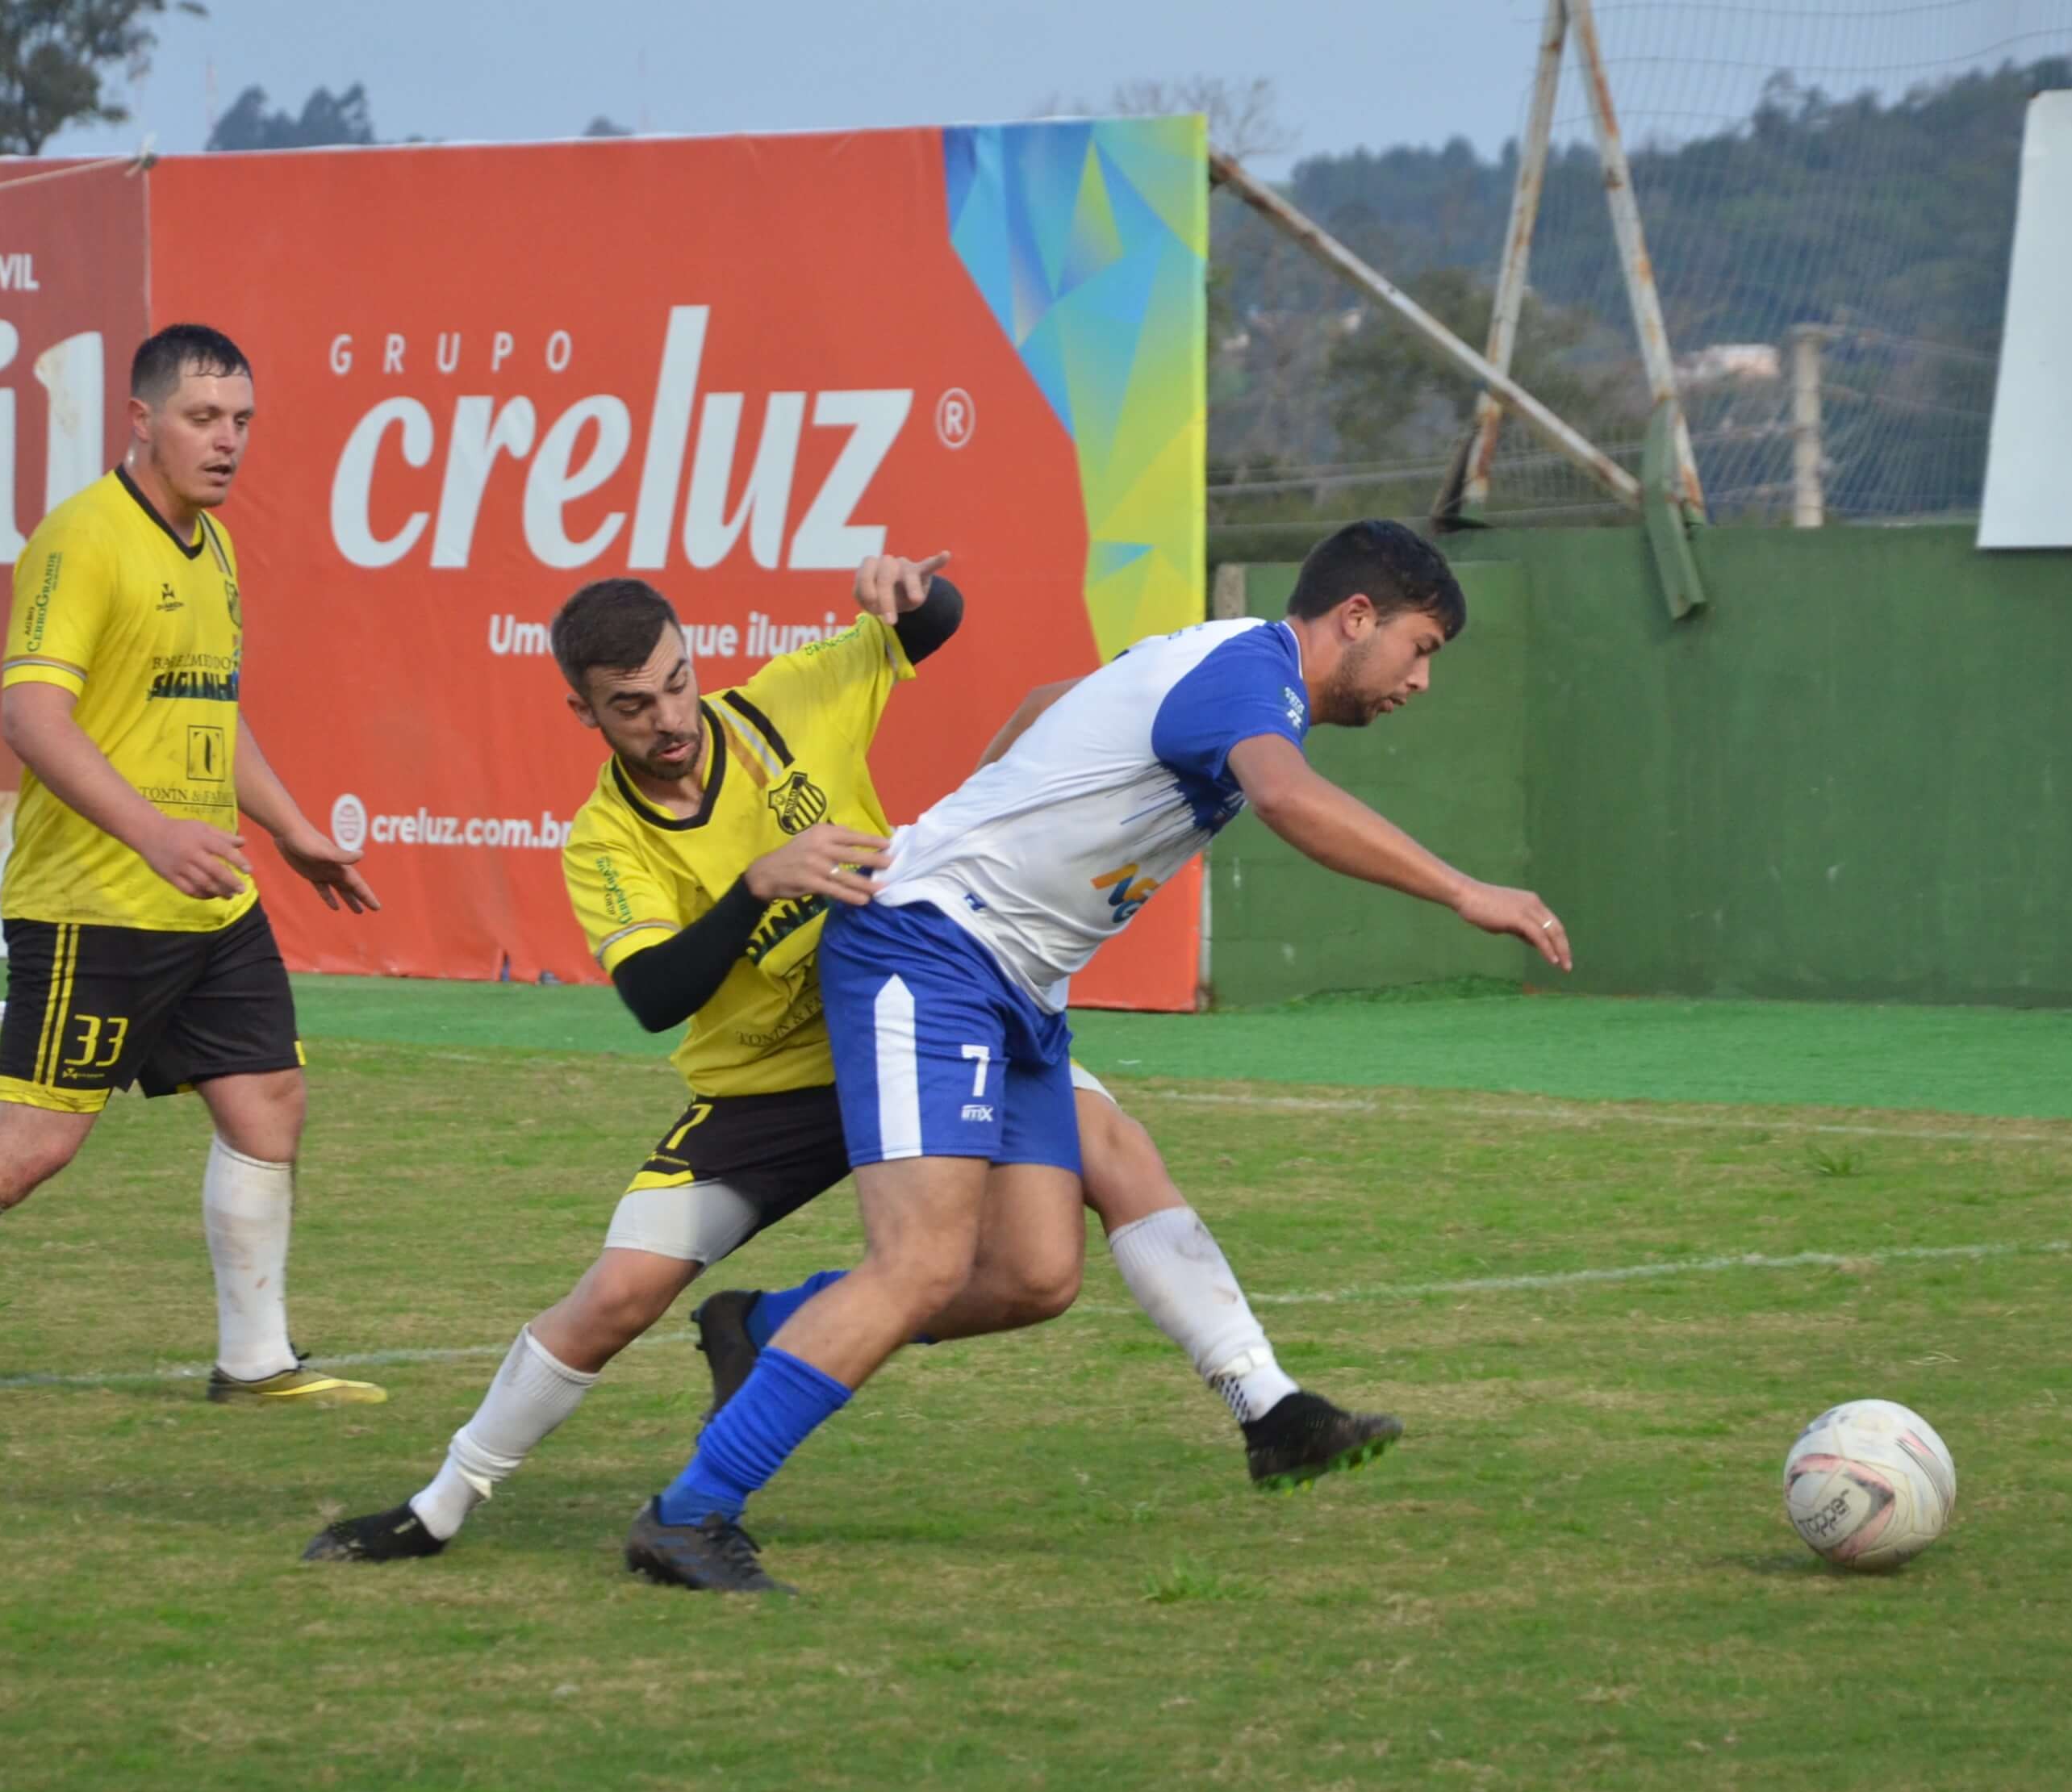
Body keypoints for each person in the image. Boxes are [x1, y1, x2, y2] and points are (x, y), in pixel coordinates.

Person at [303, 557, 1397, 1565]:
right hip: (774, 1090)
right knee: (620, 1294)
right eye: (630, 706)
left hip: (925, 1008)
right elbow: (652, 995)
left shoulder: (784, 702)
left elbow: (933, 622)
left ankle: (1267, 1406)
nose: (667, 720)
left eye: (677, 685)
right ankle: (441, 1506)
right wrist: (756, 884)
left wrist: (913, 588)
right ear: (583, 711)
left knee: (1046, 1256)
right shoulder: (605, 838)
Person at [625, 519, 1570, 1593]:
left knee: (1034, 1273)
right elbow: (1287, 796)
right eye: (1421, 647)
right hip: (930, 952)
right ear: (1358, 618)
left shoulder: (1222, 659)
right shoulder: (1254, 677)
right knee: (924, 1263)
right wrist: (1465, 890)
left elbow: (1049, 704)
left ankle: (764, 1327)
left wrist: (982, 805)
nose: (1421, 679)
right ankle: (688, 1516)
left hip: (1012, 981)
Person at [0, 324, 385, 1430]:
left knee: (268, 1105)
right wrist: (155, 834)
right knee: (31, 1148)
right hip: (93, 907)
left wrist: (291, 830)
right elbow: (30, 716)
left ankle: (253, 1360)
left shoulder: (213, 545)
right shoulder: (84, 540)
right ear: (141, 418)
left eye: (243, 421)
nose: (228, 441)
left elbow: (209, 708)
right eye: (205, 418)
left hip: (209, 896)